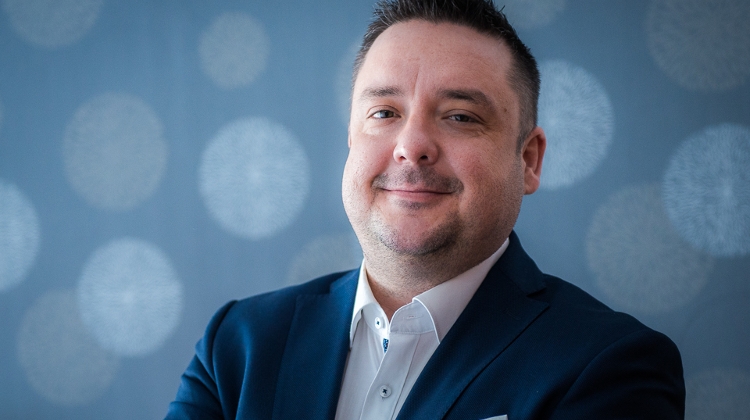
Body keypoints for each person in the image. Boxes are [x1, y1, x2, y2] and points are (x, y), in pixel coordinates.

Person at [166, 0, 685, 418]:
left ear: (528, 160)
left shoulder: (611, 365)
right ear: (350, 141)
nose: (411, 146)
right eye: (384, 112)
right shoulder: (238, 344)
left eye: (460, 116)